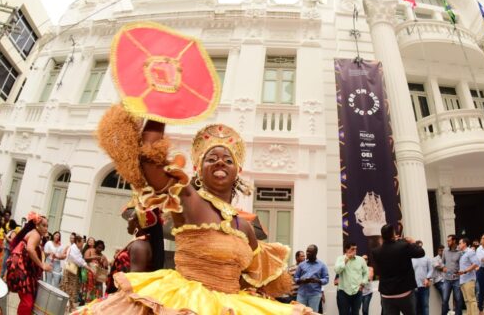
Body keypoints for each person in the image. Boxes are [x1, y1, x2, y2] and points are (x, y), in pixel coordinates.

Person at [83, 109, 313, 314]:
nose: (220, 163)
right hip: (185, 302)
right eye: (211, 159)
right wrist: (156, 107)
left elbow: (254, 279)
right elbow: (150, 161)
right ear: (198, 170)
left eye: (227, 160)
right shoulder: (188, 200)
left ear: (237, 171)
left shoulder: (243, 227)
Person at [106, 207, 165, 294]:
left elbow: (133, 284)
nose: (128, 220)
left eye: (130, 217)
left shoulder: (139, 246)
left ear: (138, 223)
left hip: (123, 299)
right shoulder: (140, 243)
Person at [5, 212, 53, 315]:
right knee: (28, 302)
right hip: (21, 269)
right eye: (43, 225)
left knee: (26, 301)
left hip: (22, 269)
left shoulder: (35, 234)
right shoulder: (36, 234)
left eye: (47, 226)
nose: (46, 228)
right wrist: (42, 265)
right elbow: (31, 249)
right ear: (37, 225)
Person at [372, 223, 424, 315]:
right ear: (393, 234)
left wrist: (396, 242)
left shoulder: (376, 251)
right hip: (405, 292)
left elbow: (377, 271)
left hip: (386, 294)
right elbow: (420, 253)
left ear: (382, 236)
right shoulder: (403, 246)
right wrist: (412, 242)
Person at [60, 234, 93, 312]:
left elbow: (79, 259)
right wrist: (88, 267)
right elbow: (78, 260)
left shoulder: (76, 249)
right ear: (78, 242)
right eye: (82, 242)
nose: (82, 244)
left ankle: (70, 307)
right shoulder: (73, 248)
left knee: (72, 290)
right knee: (69, 289)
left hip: (73, 272)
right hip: (71, 272)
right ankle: (67, 307)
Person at [335, 241, 368, 315]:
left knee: (356, 313)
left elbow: (366, 272)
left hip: (357, 291)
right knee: (344, 313)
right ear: (346, 250)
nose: (354, 251)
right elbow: (337, 270)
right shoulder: (340, 258)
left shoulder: (361, 260)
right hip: (343, 291)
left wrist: (363, 283)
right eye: (352, 249)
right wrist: (346, 260)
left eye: (355, 249)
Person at [295, 244, 329, 311]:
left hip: (315, 295)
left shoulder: (322, 265)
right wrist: (302, 280)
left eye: (310, 252)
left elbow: (326, 279)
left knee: (312, 313)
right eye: (307, 251)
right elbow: (296, 277)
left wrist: (318, 280)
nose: (307, 253)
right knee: (299, 312)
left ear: (315, 253)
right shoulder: (301, 265)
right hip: (301, 294)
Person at [440, 234, 463, 315]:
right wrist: (443, 267)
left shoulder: (460, 251)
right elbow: (442, 262)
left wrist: (461, 271)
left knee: (458, 299)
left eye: (449, 241)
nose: (448, 242)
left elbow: (463, 264)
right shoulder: (445, 250)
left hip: (457, 279)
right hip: (447, 279)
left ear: (454, 241)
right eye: (447, 241)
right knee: (444, 300)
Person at [458, 238, 479, 315]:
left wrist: (465, 271)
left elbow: (476, 263)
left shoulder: (470, 252)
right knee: (467, 300)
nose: (459, 245)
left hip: (469, 279)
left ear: (465, 244)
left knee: (471, 299)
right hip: (462, 279)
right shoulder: (462, 253)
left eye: (460, 243)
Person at [411, 240, 432, 315]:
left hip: (424, 285)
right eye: (419, 246)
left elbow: (431, 270)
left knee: (425, 306)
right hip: (414, 286)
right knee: (416, 307)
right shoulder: (411, 259)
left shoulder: (427, 258)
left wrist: (428, 278)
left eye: (421, 246)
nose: (420, 247)